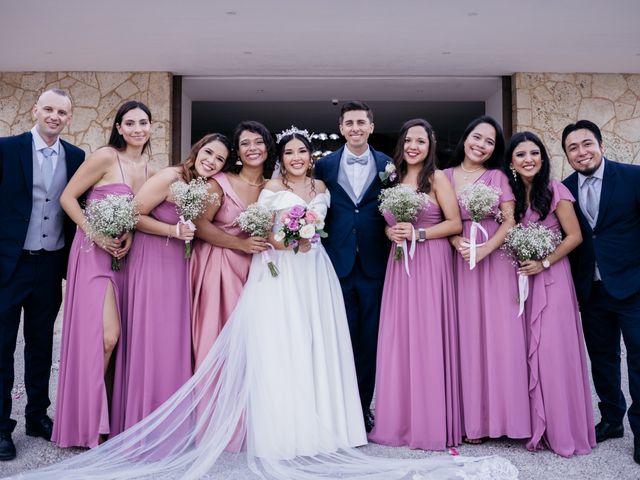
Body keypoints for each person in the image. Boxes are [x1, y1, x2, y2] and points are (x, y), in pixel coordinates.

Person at [5, 129, 517, 480]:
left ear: (310, 158)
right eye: (288, 152)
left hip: (314, 271)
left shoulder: (323, 185)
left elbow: (333, 224)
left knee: (313, 347)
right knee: (275, 346)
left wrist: (305, 234)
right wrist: (274, 236)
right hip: (276, 270)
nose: (295, 158)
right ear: (279, 157)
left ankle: (326, 423)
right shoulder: (264, 188)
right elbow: (252, 226)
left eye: (301, 152)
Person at [111, 133, 230, 433]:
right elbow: (132, 214)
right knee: (152, 337)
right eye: (208, 153)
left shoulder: (203, 188)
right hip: (151, 261)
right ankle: (141, 423)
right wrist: (171, 230)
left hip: (180, 265)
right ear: (196, 150)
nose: (211, 161)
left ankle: (170, 426)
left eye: (219, 159)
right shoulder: (170, 176)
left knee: (173, 340)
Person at [52, 100, 152, 447]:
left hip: (124, 257)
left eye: (143, 122)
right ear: (119, 128)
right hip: (92, 253)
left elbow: (141, 217)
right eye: (130, 123)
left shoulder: (148, 170)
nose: (138, 128)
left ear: (150, 128)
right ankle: (86, 421)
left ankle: (102, 419)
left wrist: (130, 233)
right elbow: (68, 197)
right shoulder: (106, 156)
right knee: (107, 336)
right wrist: (93, 232)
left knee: (116, 339)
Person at [0, 89, 84, 461]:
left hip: (50, 265)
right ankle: (2, 428)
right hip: (8, 264)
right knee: (2, 347)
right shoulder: (7, 148)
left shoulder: (77, 157)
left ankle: (37, 416)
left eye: (61, 112)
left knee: (41, 344)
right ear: (35, 110)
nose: (54, 116)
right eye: (48, 109)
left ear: (69, 118)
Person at [369, 119, 462, 450]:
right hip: (399, 266)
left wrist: (418, 234)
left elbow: (454, 223)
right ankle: (400, 420)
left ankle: (430, 421)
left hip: (430, 263)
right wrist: (390, 232)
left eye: (420, 141)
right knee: (400, 337)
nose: (413, 146)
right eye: (409, 140)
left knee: (426, 337)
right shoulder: (392, 178)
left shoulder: (437, 178)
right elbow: (389, 224)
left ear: (430, 145)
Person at [504, 131, 595, 456]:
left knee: (552, 353)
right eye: (521, 155)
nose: (528, 159)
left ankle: (561, 428)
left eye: (534, 153)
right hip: (520, 281)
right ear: (512, 163)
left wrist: (544, 262)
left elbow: (574, 237)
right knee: (525, 350)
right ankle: (532, 425)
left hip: (553, 278)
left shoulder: (556, 190)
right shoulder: (510, 195)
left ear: (542, 159)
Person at [443, 115, 530, 444]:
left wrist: (485, 249)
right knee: (467, 338)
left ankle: (508, 419)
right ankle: (472, 423)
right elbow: (441, 218)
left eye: (490, 142)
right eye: (477, 137)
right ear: (466, 138)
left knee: (501, 337)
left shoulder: (497, 177)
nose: (481, 145)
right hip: (460, 260)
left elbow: (510, 221)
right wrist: (457, 243)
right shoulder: (445, 176)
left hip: (495, 261)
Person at [561, 119, 640, 463]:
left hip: (634, 286)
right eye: (573, 148)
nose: (582, 152)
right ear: (567, 155)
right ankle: (611, 420)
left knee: (638, 361)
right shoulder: (564, 190)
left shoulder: (634, 177)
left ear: (601, 145)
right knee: (603, 359)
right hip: (590, 290)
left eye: (587, 144)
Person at [314, 101, 391, 431]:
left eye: (362, 122)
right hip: (337, 261)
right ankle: (337, 410)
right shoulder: (324, 166)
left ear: (371, 127)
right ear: (341, 128)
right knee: (338, 337)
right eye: (349, 123)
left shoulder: (390, 164)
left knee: (369, 340)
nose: (356, 127)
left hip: (375, 261)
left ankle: (362, 408)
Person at [190, 121, 275, 371]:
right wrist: (240, 243)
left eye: (259, 142)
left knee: (249, 338)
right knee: (215, 334)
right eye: (245, 143)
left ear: (268, 147)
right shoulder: (220, 182)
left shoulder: (272, 187)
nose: (253, 148)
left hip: (254, 271)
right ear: (237, 152)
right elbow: (200, 224)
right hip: (217, 266)